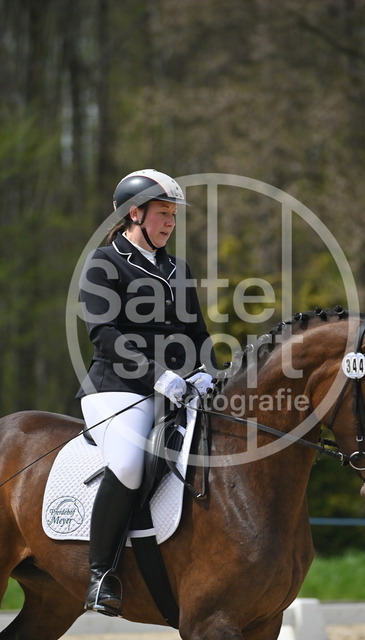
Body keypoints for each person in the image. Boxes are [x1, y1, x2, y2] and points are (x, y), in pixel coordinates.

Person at [77, 169, 216, 616]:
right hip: (118, 388)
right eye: (162, 213)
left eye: (173, 215)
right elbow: (104, 334)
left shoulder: (178, 269)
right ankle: (101, 574)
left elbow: (198, 334)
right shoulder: (104, 262)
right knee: (129, 463)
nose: (170, 222)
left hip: (177, 390)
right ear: (134, 214)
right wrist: (158, 376)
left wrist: (207, 373)